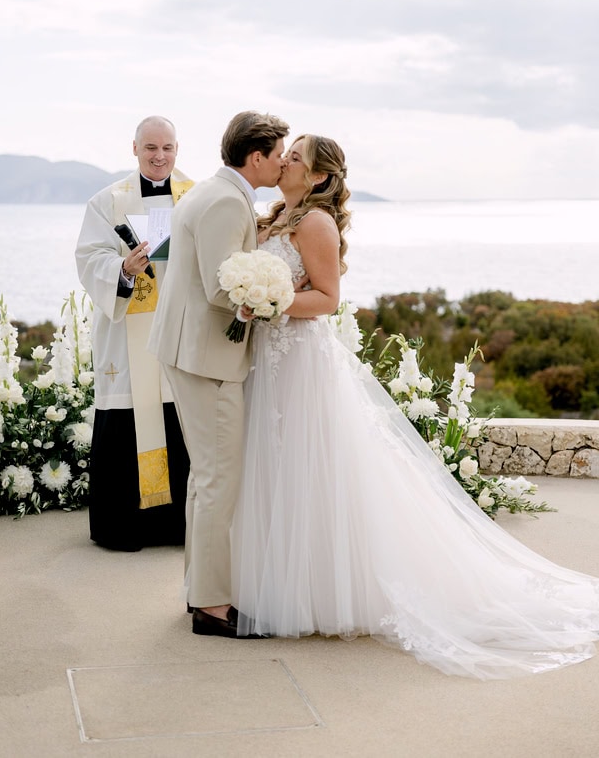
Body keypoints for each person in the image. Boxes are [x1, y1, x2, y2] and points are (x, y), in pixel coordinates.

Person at [231, 133, 599, 679]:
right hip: (268, 360)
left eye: (296, 157)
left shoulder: (315, 223)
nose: (284, 159)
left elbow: (327, 300)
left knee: (313, 470)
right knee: (276, 468)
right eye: (286, 153)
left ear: (319, 178)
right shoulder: (270, 216)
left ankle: (320, 593)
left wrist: (270, 302)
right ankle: (276, 582)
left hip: (301, 363)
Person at [148, 110, 289, 637]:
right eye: (278, 154)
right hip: (206, 359)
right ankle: (212, 606)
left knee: (205, 477)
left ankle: (199, 591)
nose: (280, 163)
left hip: (190, 351)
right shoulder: (228, 202)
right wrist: (267, 302)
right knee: (218, 479)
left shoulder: (213, 191)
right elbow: (218, 288)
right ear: (257, 157)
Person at [75, 116, 193, 551]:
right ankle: (124, 527)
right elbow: (89, 257)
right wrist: (123, 269)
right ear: (135, 148)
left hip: (180, 327)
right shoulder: (107, 201)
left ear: (177, 148)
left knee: (177, 415)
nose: (159, 156)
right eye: (150, 148)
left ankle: (179, 526)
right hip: (129, 333)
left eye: (167, 148)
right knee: (129, 417)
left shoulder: (196, 197)